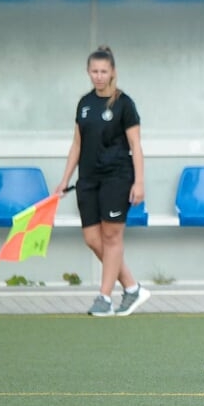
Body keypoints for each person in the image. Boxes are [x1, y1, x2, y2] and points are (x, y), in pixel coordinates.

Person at [54, 46, 151, 317]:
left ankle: (104, 298)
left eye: (103, 71)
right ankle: (132, 287)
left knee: (111, 236)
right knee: (92, 238)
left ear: (113, 72)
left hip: (117, 177)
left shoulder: (124, 104)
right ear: (88, 72)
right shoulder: (84, 104)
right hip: (87, 179)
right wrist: (64, 180)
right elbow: (76, 144)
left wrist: (139, 182)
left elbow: (136, 145)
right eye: (94, 71)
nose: (99, 76)